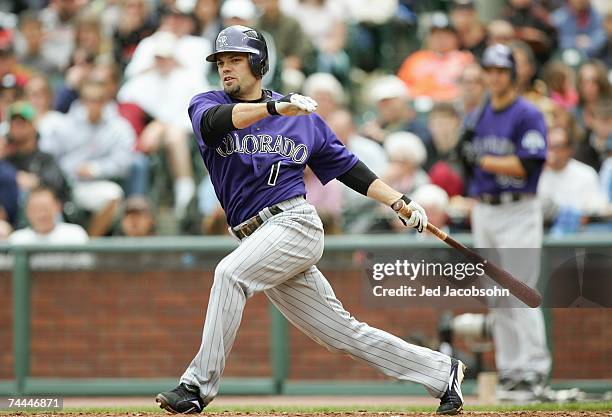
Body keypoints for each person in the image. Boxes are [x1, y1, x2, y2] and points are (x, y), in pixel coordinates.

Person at [155, 25, 466, 415]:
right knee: (341, 333)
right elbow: (217, 122)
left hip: (294, 223)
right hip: (255, 238)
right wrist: (273, 108)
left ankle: (196, 387)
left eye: (236, 59)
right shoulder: (206, 102)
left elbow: (349, 168)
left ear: (258, 64)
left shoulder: (301, 117)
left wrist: (400, 201)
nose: (226, 68)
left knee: (229, 274)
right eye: (221, 61)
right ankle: (442, 372)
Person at [459, 44, 551, 401]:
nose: (495, 76)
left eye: (501, 70)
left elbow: (527, 164)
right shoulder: (479, 114)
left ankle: (534, 371)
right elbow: (469, 164)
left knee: (520, 290)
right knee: (497, 296)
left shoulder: (527, 113)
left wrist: (481, 160)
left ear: (512, 73)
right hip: (486, 208)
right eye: (490, 70)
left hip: (518, 209)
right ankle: (512, 371)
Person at [537, 126, 606, 223]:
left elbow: (596, 208)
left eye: (557, 147)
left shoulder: (586, 173)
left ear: (569, 149)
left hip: (580, 233)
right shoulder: (537, 175)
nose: (551, 152)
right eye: (548, 146)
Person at [9, 185, 88, 244]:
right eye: (35, 209)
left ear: (57, 207)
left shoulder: (75, 234)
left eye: (45, 208)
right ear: (27, 211)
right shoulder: (17, 240)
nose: (41, 214)